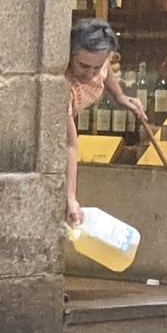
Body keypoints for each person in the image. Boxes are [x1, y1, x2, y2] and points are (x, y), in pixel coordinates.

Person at [65, 19, 148, 227]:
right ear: (70, 56)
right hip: (64, 119)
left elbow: (106, 70)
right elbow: (70, 146)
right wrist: (70, 198)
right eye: (82, 65)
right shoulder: (63, 88)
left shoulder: (101, 61)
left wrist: (119, 96)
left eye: (96, 66)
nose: (90, 73)